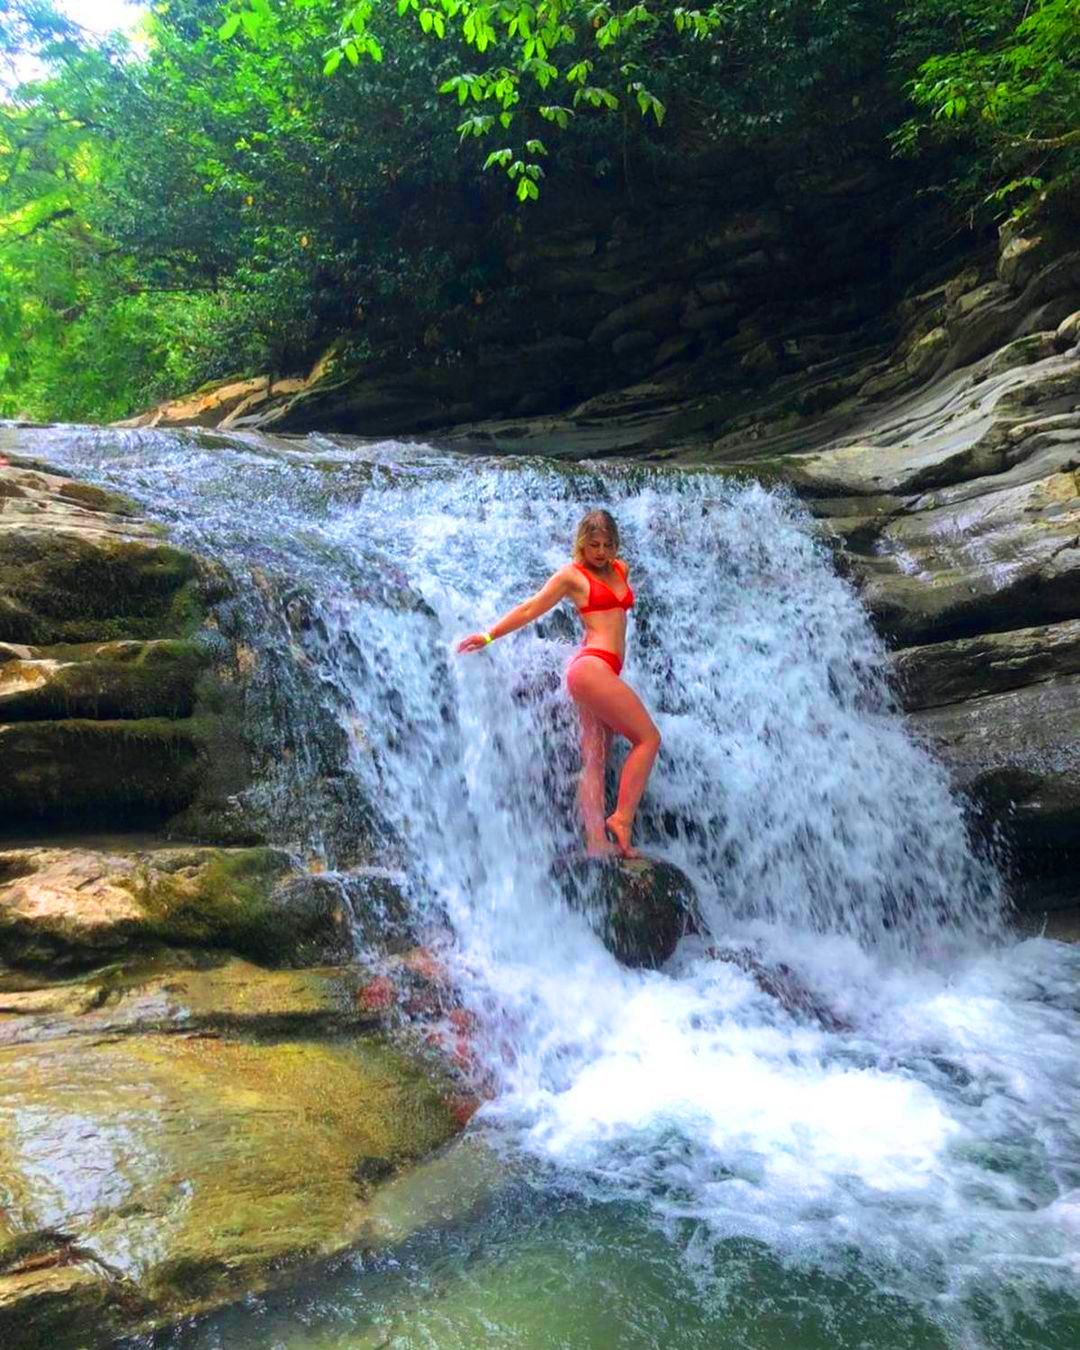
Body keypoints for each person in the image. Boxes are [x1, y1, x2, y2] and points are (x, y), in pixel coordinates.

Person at [457, 509, 661, 857]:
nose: (601, 551)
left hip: (604, 672)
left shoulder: (620, 569)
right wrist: (489, 636)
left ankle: (598, 841)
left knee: (595, 757)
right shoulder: (572, 576)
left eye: (608, 544)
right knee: (648, 738)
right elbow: (530, 608)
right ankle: (622, 819)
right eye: (593, 544)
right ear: (581, 543)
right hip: (590, 668)